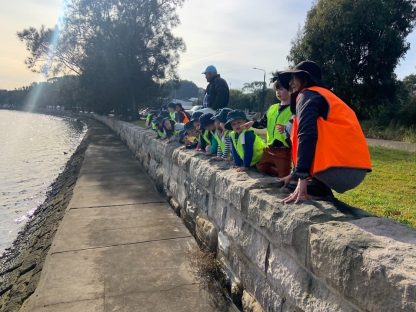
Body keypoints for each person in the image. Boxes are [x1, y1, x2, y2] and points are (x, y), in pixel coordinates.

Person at [279, 60, 372, 203]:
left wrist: (302, 176)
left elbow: (306, 134)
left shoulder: (307, 94)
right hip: (355, 170)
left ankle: (314, 184)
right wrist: (293, 175)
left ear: (305, 78)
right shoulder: (326, 96)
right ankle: (317, 183)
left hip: (337, 168)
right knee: (297, 124)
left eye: (294, 78)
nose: (290, 83)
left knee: (297, 127)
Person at [242, 72, 293, 177]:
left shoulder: (294, 108)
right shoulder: (273, 108)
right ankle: (278, 172)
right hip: (269, 148)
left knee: (283, 175)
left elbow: (295, 126)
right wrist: (252, 123)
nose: (278, 92)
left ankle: (285, 175)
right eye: (277, 89)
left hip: (284, 149)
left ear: (290, 90)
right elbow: (263, 122)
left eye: (281, 89)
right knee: (260, 167)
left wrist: (287, 129)